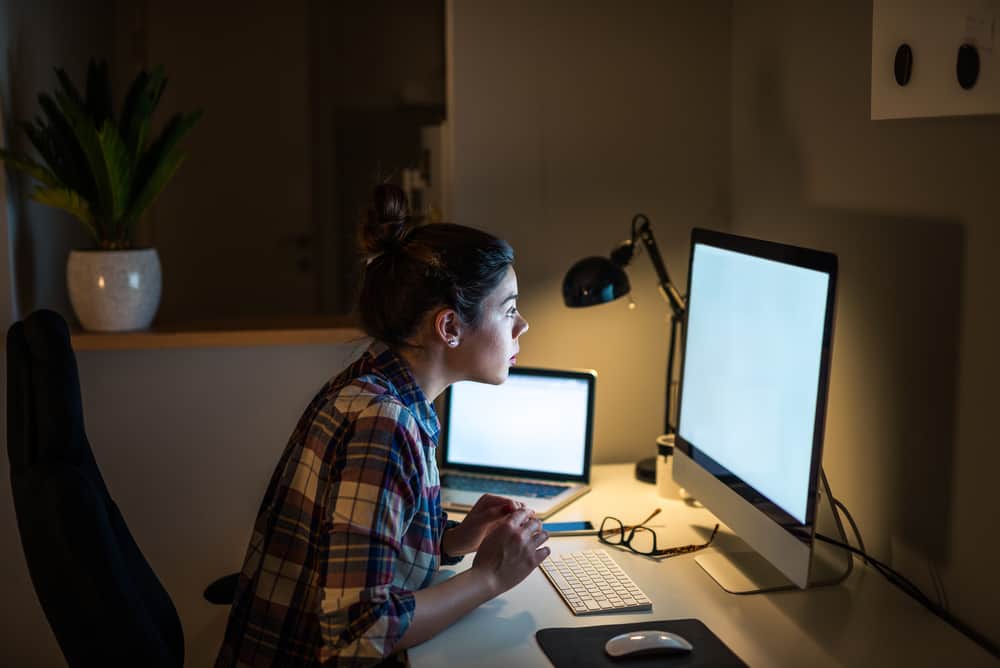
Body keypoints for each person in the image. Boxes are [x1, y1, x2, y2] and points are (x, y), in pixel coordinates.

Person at [216, 183, 547, 667]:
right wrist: (488, 578)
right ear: (449, 327)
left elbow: (361, 540)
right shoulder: (384, 424)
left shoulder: (382, 382)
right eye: (510, 309)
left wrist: (453, 539)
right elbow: (360, 631)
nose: (523, 326)